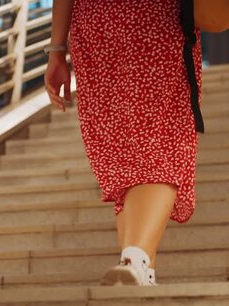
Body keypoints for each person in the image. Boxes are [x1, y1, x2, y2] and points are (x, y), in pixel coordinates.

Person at [44, 0, 202, 286]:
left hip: (96, 27)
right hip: (155, 22)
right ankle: (137, 258)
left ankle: (140, 267)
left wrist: (57, 49)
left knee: (126, 153)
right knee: (160, 143)